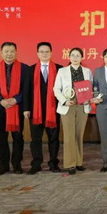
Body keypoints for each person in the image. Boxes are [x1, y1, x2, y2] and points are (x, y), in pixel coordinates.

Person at [0, 42, 29, 175]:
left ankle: (17, 164)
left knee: (18, 137)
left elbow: (27, 88)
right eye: (6, 51)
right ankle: (3, 165)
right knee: (1, 138)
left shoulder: (24, 68)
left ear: (16, 52)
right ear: (1, 53)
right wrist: (1, 100)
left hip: (17, 106)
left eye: (12, 51)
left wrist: (16, 99)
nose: (9, 54)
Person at [22, 42, 63, 174]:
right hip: (35, 110)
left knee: (54, 138)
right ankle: (36, 163)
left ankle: (53, 163)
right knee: (35, 139)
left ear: (51, 53)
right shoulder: (30, 70)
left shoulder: (59, 69)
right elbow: (26, 91)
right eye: (42, 51)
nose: (44, 54)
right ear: (37, 53)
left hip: (53, 110)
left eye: (47, 51)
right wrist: (26, 108)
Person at [54, 48, 94, 175]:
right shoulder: (62, 71)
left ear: (82, 57)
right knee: (69, 135)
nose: (75, 58)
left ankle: (78, 162)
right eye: (73, 55)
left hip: (82, 106)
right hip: (68, 107)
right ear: (69, 57)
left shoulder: (87, 71)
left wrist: (89, 98)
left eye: (78, 55)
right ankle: (70, 164)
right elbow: (56, 89)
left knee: (79, 135)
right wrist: (64, 101)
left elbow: (91, 88)